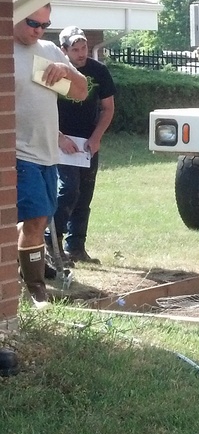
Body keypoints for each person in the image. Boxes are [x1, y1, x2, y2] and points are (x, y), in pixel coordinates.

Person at [13, 1, 88, 306]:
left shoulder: (50, 51)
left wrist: (66, 74)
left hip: (48, 153)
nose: (39, 30)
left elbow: (81, 91)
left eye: (45, 25)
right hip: (18, 152)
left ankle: (25, 279)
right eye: (33, 23)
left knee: (38, 222)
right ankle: (35, 289)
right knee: (34, 220)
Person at [52, 26, 117, 265]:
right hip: (60, 142)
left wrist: (96, 138)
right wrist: (59, 137)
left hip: (88, 144)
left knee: (85, 194)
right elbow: (42, 109)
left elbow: (108, 108)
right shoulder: (55, 71)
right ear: (64, 50)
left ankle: (76, 247)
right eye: (75, 49)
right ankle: (53, 243)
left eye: (84, 48)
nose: (81, 53)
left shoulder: (98, 71)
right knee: (68, 190)